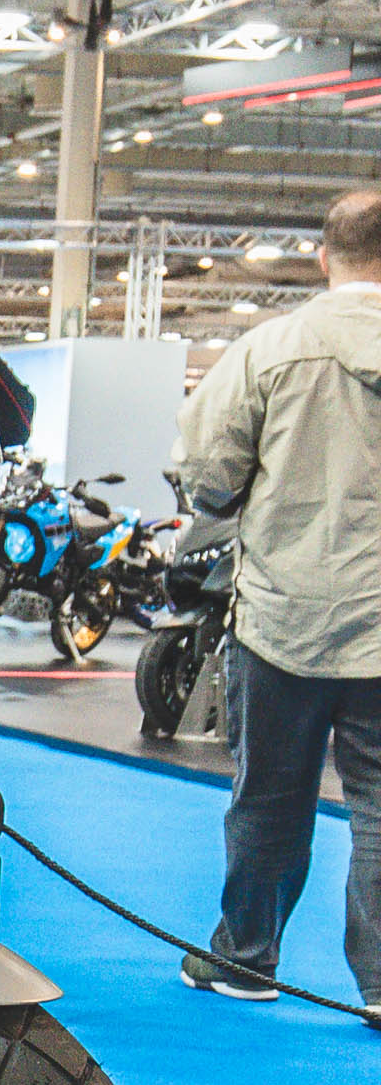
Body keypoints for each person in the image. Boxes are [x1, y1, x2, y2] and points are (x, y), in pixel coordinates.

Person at [167, 187, 381, 1016]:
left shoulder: (271, 349)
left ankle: (247, 960)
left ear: (324, 255)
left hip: (284, 620)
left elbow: (208, 476)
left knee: (270, 800)